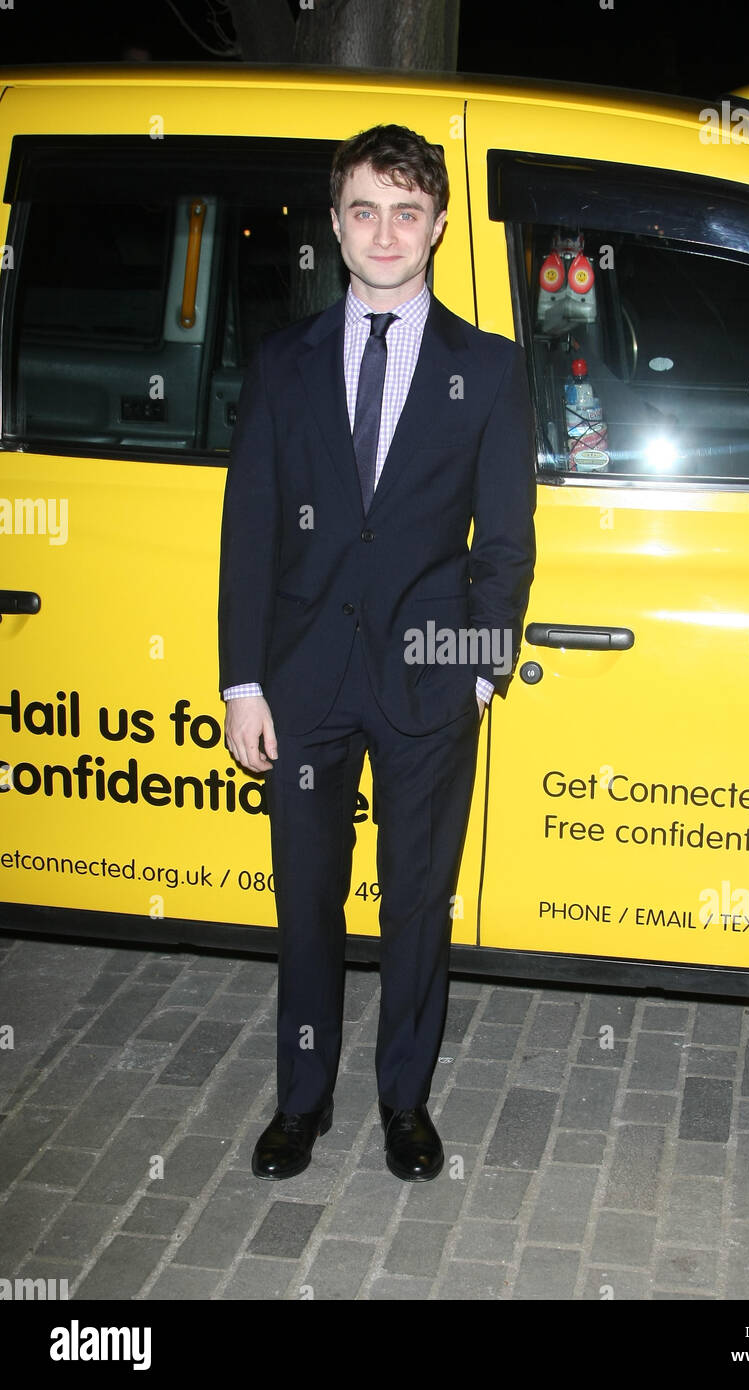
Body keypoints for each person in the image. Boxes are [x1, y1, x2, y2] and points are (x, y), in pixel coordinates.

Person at [218, 123, 536, 1182]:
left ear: (438, 226)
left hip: (428, 686)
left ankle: (405, 1101)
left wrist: (477, 669)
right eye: (365, 210)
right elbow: (250, 530)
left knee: (415, 906)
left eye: (407, 211)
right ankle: (300, 1102)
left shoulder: (487, 370)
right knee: (306, 905)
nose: (385, 232)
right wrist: (243, 681)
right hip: (302, 683)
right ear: (336, 224)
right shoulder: (284, 363)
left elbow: (506, 542)